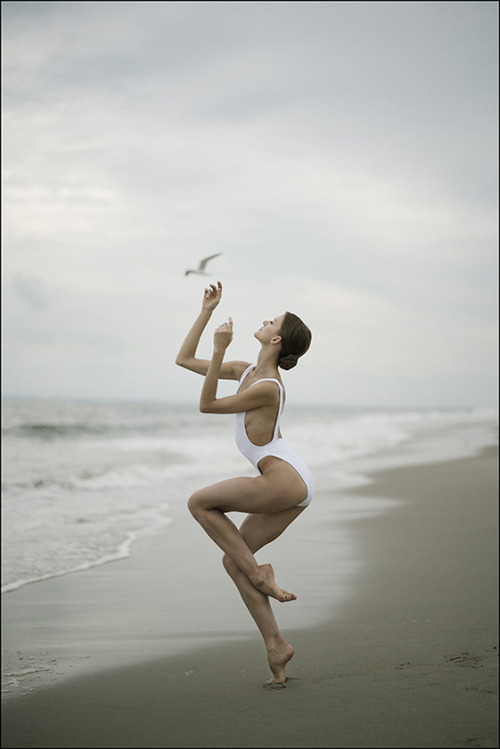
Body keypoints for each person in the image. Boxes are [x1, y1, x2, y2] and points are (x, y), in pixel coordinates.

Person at [175, 281, 314, 686]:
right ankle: (277, 646)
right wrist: (206, 312)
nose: (265, 319)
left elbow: (207, 406)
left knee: (199, 503)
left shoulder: (267, 388)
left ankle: (258, 576)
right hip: (291, 482)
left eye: (273, 320)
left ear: (275, 338)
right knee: (233, 558)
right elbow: (183, 359)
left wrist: (219, 349)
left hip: (283, 479)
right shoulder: (249, 372)